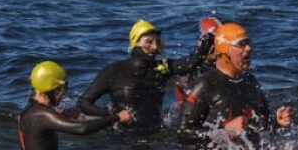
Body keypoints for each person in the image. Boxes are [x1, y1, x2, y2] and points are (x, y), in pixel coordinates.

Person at [0, 61, 133, 150]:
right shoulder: (43, 115)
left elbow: (41, 125)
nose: (63, 94)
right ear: (50, 90)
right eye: (61, 90)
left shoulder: (30, 111)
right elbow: (81, 129)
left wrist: (61, 115)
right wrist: (116, 118)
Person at [80, 18, 213, 130]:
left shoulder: (162, 69)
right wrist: (112, 114)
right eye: (149, 42)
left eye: (157, 42)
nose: (154, 47)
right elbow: (84, 102)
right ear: (135, 43)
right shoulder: (114, 70)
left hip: (156, 134)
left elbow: (191, 63)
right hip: (124, 136)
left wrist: (207, 43)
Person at [177, 22, 294, 146]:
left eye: (248, 42)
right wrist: (223, 133)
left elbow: (262, 126)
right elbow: (183, 134)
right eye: (241, 44)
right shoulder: (205, 84)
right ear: (224, 50)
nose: (249, 48)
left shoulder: (250, 81)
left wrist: (277, 122)